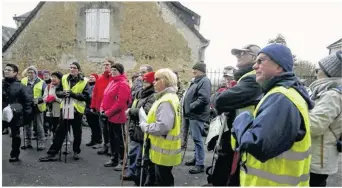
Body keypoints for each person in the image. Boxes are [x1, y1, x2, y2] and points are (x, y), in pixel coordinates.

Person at [232, 44, 314, 186]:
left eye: (261, 61)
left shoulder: (281, 98)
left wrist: (242, 121)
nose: (254, 66)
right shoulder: (282, 93)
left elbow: (260, 146)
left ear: (279, 66)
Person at [207, 44, 263, 186]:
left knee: (230, 177)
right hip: (236, 136)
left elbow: (220, 101)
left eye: (242, 53)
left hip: (242, 137)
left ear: (253, 57)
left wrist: (219, 96)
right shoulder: (244, 77)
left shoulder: (252, 78)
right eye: (237, 53)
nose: (238, 56)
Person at [39, 62, 90, 161]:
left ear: (78, 70)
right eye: (70, 67)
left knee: (77, 132)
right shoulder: (64, 78)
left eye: (74, 68)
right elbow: (58, 91)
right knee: (60, 131)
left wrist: (73, 94)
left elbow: (87, 97)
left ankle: (76, 151)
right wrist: (63, 93)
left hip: (77, 109)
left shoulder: (84, 81)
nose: (72, 69)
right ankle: (52, 153)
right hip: (65, 107)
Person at [139, 68, 181, 186]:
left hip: (163, 150)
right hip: (163, 148)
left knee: (163, 181)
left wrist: (145, 127)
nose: (153, 82)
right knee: (162, 178)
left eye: (157, 79)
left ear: (166, 81)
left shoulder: (166, 100)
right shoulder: (168, 97)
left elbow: (163, 126)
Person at [309, 51, 342, 187]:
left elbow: (315, 126)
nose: (316, 73)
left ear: (328, 72)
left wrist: (297, 112)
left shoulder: (332, 95)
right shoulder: (327, 92)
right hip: (320, 154)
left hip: (318, 158)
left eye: (318, 69)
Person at [123, 72, 156, 183]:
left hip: (142, 129)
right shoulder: (141, 93)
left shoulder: (153, 96)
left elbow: (146, 111)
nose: (144, 83)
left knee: (140, 156)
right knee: (132, 153)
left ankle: (138, 175)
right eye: (143, 81)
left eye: (146, 81)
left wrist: (131, 111)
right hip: (135, 127)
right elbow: (134, 104)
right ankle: (132, 172)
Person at [100, 63, 131, 170]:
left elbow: (121, 103)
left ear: (120, 72)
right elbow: (106, 97)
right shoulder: (112, 82)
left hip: (118, 117)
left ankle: (123, 161)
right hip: (109, 116)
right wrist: (102, 108)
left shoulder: (123, 84)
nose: (113, 72)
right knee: (112, 138)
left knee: (120, 140)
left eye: (115, 70)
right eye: (112, 70)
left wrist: (107, 112)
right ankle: (114, 158)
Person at [183, 62, 211, 174]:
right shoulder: (197, 80)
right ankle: (196, 159)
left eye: (196, 69)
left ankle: (200, 164)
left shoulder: (204, 81)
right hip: (192, 114)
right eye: (193, 69)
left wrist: (190, 107)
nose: (193, 71)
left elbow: (204, 98)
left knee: (198, 140)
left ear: (202, 71)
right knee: (195, 139)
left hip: (196, 115)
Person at [2, 64, 33, 162]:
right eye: (5, 69)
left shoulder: (21, 86)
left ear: (15, 72)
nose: (6, 71)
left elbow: (28, 102)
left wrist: (26, 117)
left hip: (14, 113)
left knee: (15, 135)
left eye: (9, 70)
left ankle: (14, 154)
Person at [90, 58, 114, 154]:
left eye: (107, 64)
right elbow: (95, 93)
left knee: (111, 130)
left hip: (111, 109)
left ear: (112, 66)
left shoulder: (114, 78)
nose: (105, 66)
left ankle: (112, 148)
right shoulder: (100, 78)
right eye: (104, 65)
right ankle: (105, 146)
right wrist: (93, 106)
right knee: (104, 129)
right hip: (101, 108)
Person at [21, 65, 47, 150]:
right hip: (27, 106)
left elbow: (46, 95)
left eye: (32, 72)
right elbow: (20, 92)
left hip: (38, 106)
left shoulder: (41, 82)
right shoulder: (23, 81)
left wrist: (39, 100)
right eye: (28, 72)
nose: (30, 74)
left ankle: (41, 143)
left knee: (39, 125)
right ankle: (27, 142)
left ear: (35, 73)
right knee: (27, 125)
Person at [43, 71, 63, 140]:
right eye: (52, 77)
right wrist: (47, 99)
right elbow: (44, 96)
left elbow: (64, 99)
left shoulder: (62, 87)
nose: (53, 79)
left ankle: (64, 140)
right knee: (52, 124)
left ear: (60, 79)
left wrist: (55, 99)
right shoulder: (48, 86)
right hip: (50, 109)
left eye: (55, 77)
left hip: (59, 109)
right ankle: (54, 138)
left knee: (60, 125)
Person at [85, 73, 102, 147]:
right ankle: (93, 139)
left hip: (94, 108)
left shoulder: (97, 86)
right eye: (90, 77)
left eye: (93, 77)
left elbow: (92, 97)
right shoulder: (88, 86)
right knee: (91, 125)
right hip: (88, 107)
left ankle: (98, 140)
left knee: (96, 125)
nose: (91, 78)